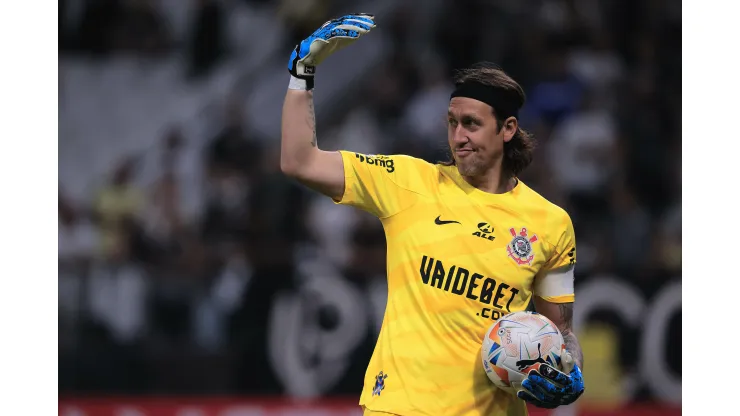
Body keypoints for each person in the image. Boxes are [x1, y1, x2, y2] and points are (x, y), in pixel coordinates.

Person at [280, 14, 585, 416]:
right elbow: (299, 161)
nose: (458, 137)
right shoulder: (408, 181)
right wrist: (302, 75)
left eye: (472, 125)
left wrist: (570, 370)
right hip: (399, 408)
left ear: (508, 128)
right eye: (452, 123)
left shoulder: (551, 224)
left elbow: (560, 332)